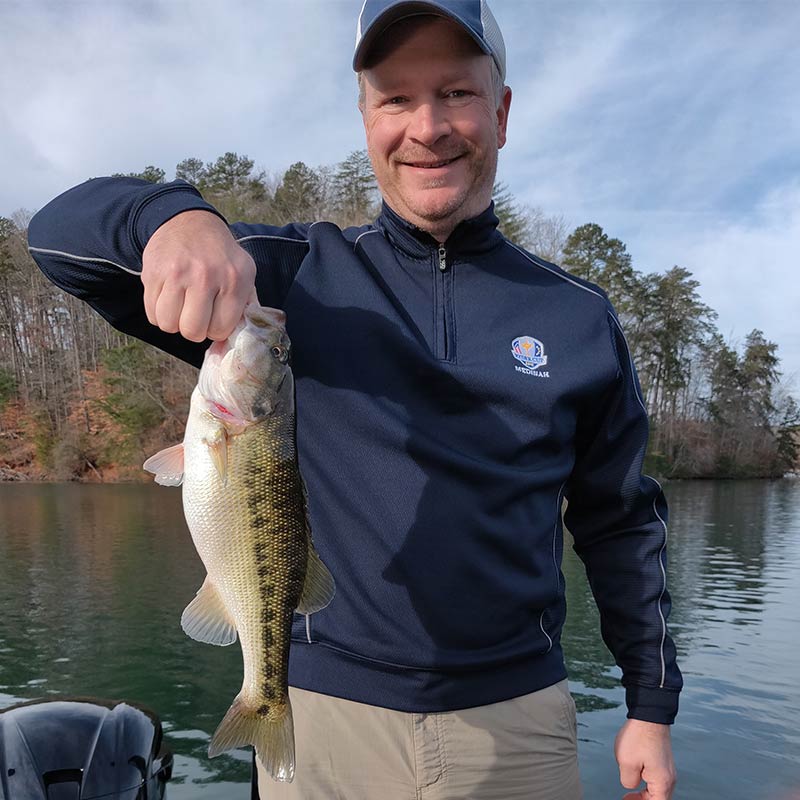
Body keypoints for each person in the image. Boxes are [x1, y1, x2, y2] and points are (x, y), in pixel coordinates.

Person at [27, 1, 682, 798]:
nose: (428, 126)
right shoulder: (289, 277)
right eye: (396, 98)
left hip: (519, 723)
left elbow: (621, 524)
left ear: (502, 113)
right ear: (367, 118)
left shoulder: (577, 317)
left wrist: (650, 706)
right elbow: (60, 241)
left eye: (457, 93)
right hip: (320, 710)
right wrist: (173, 217)